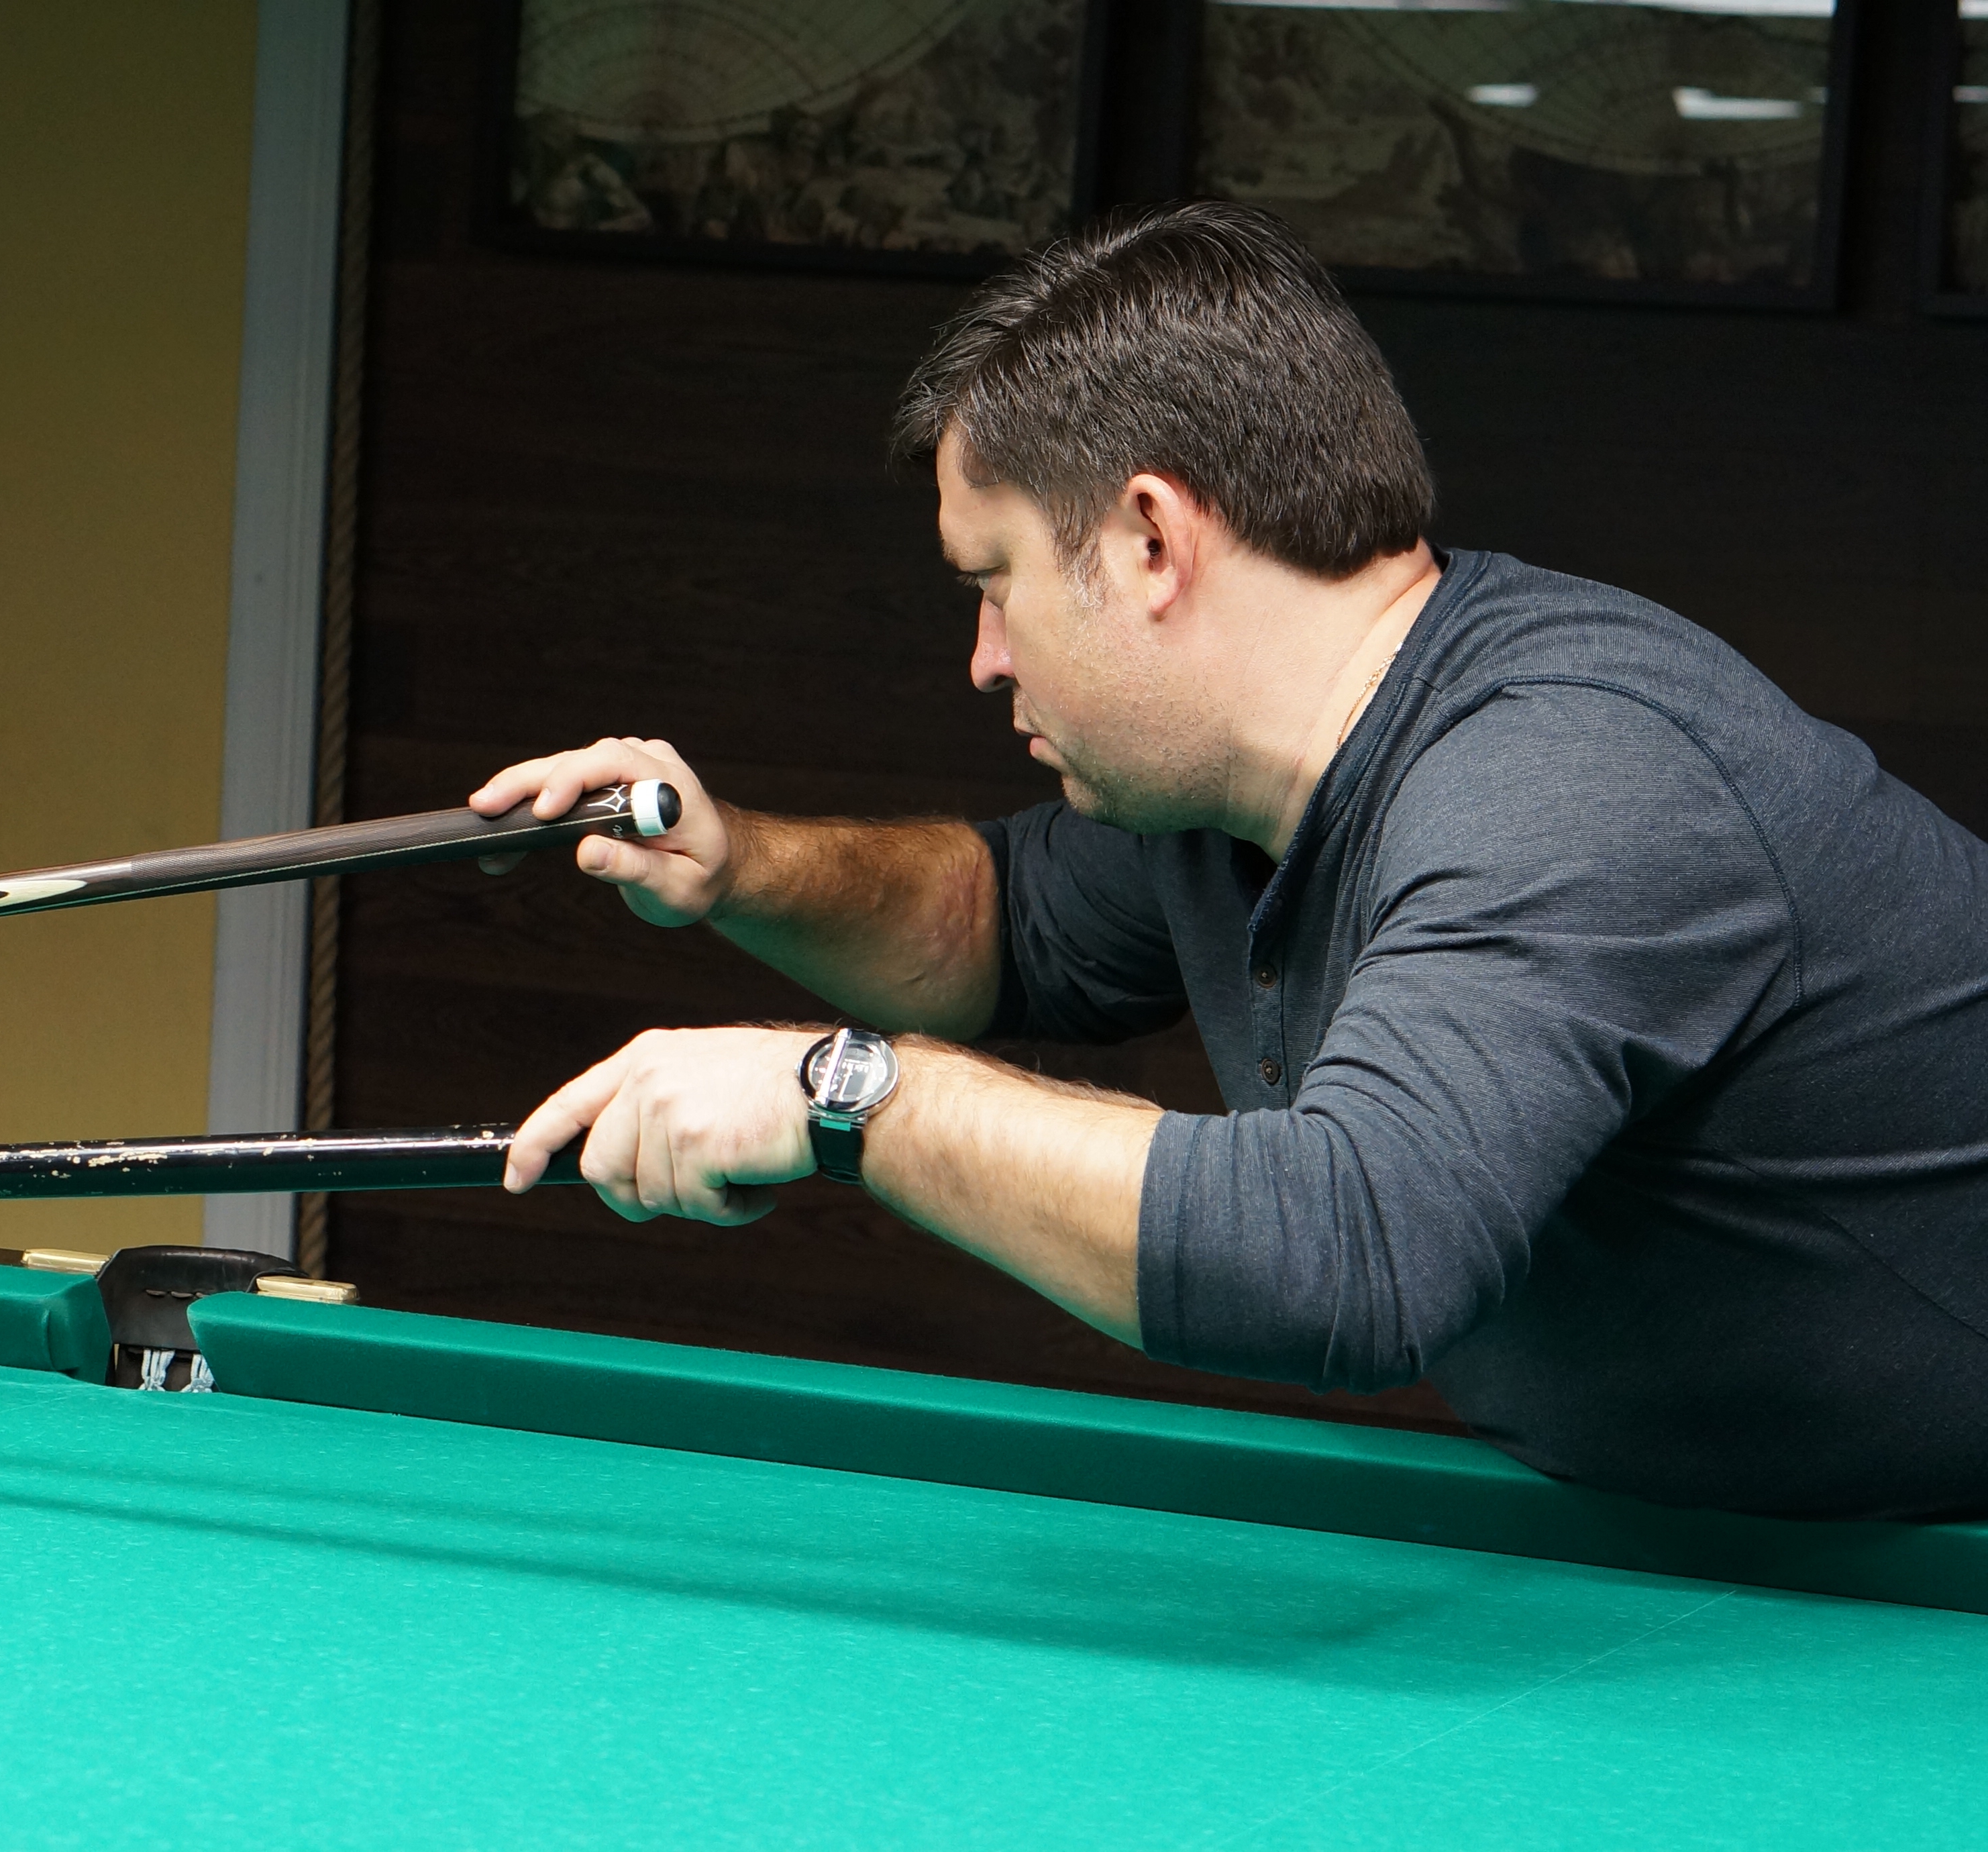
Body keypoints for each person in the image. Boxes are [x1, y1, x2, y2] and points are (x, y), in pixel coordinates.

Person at [480, 201, 1988, 1522]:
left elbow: (1349, 1249)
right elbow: (1003, 924)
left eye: (994, 580)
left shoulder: (1569, 779)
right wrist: (738, 862)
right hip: (1728, 1559)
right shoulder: (1229, 794)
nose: (984, 658)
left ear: (1150, 539)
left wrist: (843, 1094)